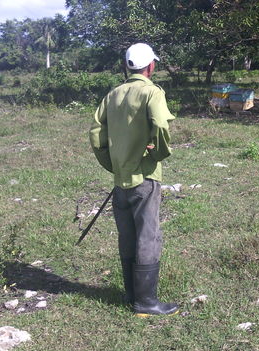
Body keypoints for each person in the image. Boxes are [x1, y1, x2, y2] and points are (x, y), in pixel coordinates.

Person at [89, 43, 178, 316]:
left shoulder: (112, 95)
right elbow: (161, 125)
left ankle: (131, 295)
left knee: (127, 235)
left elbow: (96, 135)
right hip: (145, 179)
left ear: (127, 66)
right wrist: (159, 154)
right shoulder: (152, 92)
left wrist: (113, 166)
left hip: (120, 181)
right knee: (148, 237)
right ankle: (146, 302)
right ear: (151, 66)